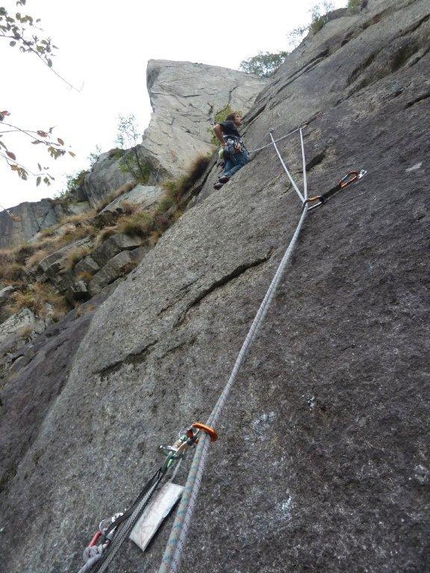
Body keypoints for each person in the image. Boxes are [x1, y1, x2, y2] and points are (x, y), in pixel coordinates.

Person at [213, 112, 248, 190]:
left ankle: (221, 182)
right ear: (232, 119)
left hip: (228, 151)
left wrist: (224, 144)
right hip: (233, 148)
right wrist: (223, 143)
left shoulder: (229, 129)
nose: (240, 118)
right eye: (238, 117)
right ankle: (228, 175)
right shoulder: (230, 123)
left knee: (230, 165)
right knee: (243, 162)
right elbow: (216, 128)